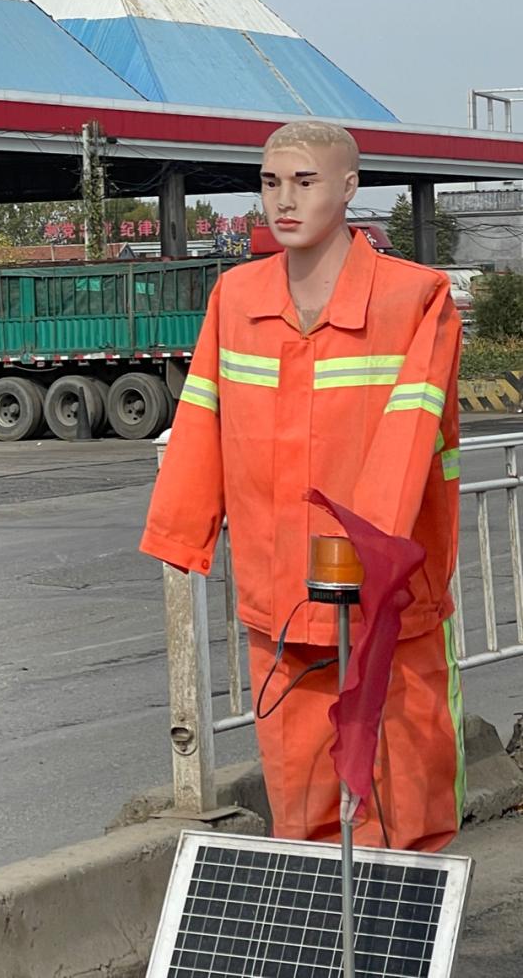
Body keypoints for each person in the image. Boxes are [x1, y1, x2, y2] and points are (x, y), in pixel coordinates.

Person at [141, 120, 463, 852]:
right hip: (282, 603)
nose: (283, 199)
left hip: (388, 603)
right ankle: (324, 955)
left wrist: (368, 559)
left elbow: (411, 439)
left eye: (305, 181)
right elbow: (201, 420)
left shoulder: (416, 299)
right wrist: (180, 534)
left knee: (403, 802)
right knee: (303, 807)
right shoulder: (237, 299)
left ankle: (397, 952)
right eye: (269, 181)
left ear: (349, 188)